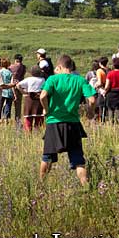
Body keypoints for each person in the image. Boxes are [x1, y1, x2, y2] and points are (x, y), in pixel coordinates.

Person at [39, 55, 96, 186]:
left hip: (54, 122)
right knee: (78, 160)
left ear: (59, 66)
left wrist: (46, 110)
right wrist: (90, 111)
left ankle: (41, 185)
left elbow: (43, 96)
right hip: (73, 123)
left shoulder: (52, 79)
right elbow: (92, 99)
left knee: (47, 156)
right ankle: (85, 185)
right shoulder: (80, 80)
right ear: (71, 66)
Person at [17, 66, 46, 132]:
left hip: (29, 100)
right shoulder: (43, 79)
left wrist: (23, 92)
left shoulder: (29, 79)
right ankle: (37, 134)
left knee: (28, 119)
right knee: (39, 120)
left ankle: (28, 135)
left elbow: (18, 85)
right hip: (39, 101)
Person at [9, 54, 26, 124]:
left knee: (8, 105)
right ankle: (18, 122)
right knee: (18, 107)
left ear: (15, 59)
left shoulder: (13, 67)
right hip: (20, 86)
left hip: (12, 86)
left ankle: (7, 120)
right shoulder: (23, 67)